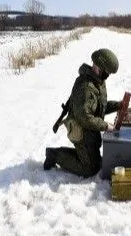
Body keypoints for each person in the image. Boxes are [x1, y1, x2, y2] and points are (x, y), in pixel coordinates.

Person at [44, 48, 121, 177]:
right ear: (99, 67)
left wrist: (118, 105)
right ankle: (54, 155)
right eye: (107, 72)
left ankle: (82, 155)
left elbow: (99, 107)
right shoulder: (85, 87)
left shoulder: (98, 81)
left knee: (96, 162)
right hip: (80, 129)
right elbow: (84, 117)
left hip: (90, 127)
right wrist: (106, 126)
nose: (107, 75)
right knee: (89, 169)